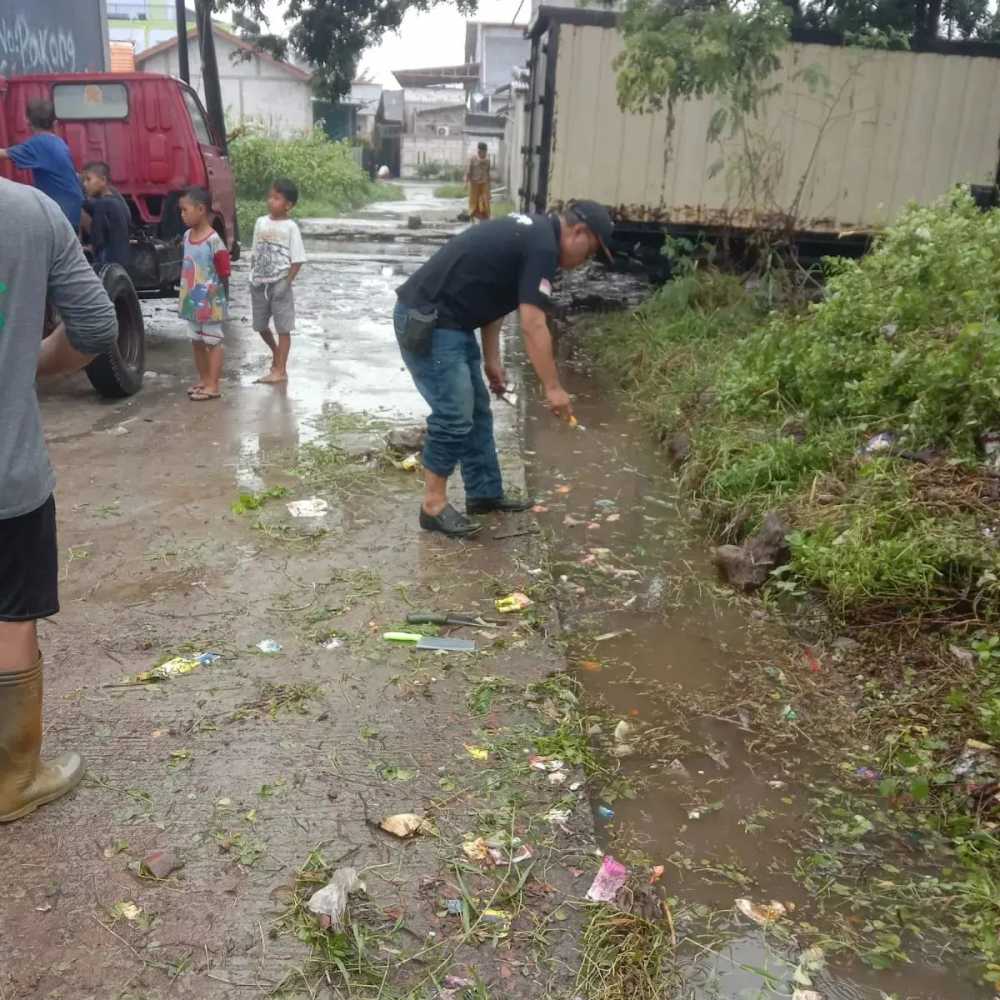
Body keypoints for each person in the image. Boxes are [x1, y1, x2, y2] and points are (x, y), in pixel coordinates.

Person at [0, 178, 118, 823]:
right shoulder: (29, 211)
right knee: (10, 616)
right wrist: (25, 362)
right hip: (6, 476)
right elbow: (96, 325)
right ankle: (13, 780)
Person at [394, 200, 614, 537]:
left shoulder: (536, 235)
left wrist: (492, 358)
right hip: (428, 320)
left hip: (452, 322)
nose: (586, 260)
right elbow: (532, 323)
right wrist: (553, 388)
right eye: (590, 251)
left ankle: (484, 493)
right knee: (455, 415)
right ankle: (432, 506)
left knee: (477, 411)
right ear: (579, 232)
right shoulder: (543, 246)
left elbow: (494, 294)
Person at [250, 178, 306, 385]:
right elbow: (255, 252)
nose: (270, 201)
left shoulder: (291, 227)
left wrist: (286, 283)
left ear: (288, 205)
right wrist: (252, 276)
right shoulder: (260, 222)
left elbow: (298, 260)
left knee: (283, 328)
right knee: (259, 325)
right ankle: (276, 352)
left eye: (276, 198)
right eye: (270, 197)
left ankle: (280, 370)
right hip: (258, 284)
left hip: (279, 284)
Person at [178, 186, 231, 402]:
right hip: (191, 300)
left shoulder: (214, 240)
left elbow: (224, 271)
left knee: (212, 341)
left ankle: (213, 385)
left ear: (201, 209)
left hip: (209, 302)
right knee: (196, 340)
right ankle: (204, 379)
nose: (182, 215)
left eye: (185, 210)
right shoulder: (186, 236)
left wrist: (220, 300)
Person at [0, 99, 83, 231]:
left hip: (61, 211)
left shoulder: (39, 144)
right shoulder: (56, 141)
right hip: (72, 207)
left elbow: (3, 154)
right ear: (54, 123)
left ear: (28, 121)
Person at [80, 161, 132, 268]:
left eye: (88, 179)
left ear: (103, 180)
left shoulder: (102, 205)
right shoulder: (119, 202)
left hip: (107, 263)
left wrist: (89, 248)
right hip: (122, 264)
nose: (85, 184)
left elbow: (97, 240)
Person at [466, 143, 491, 222]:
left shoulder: (487, 160)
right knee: (473, 201)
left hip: (484, 183)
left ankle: (485, 216)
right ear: (479, 151)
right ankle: (472, 216)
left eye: (484, 151)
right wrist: (466, 182)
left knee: (485, 199)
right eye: (481, 151)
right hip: (474, 183)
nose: (483, 153)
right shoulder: (473, 158)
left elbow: (487, 172)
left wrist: (489, 186)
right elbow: (469, 170)